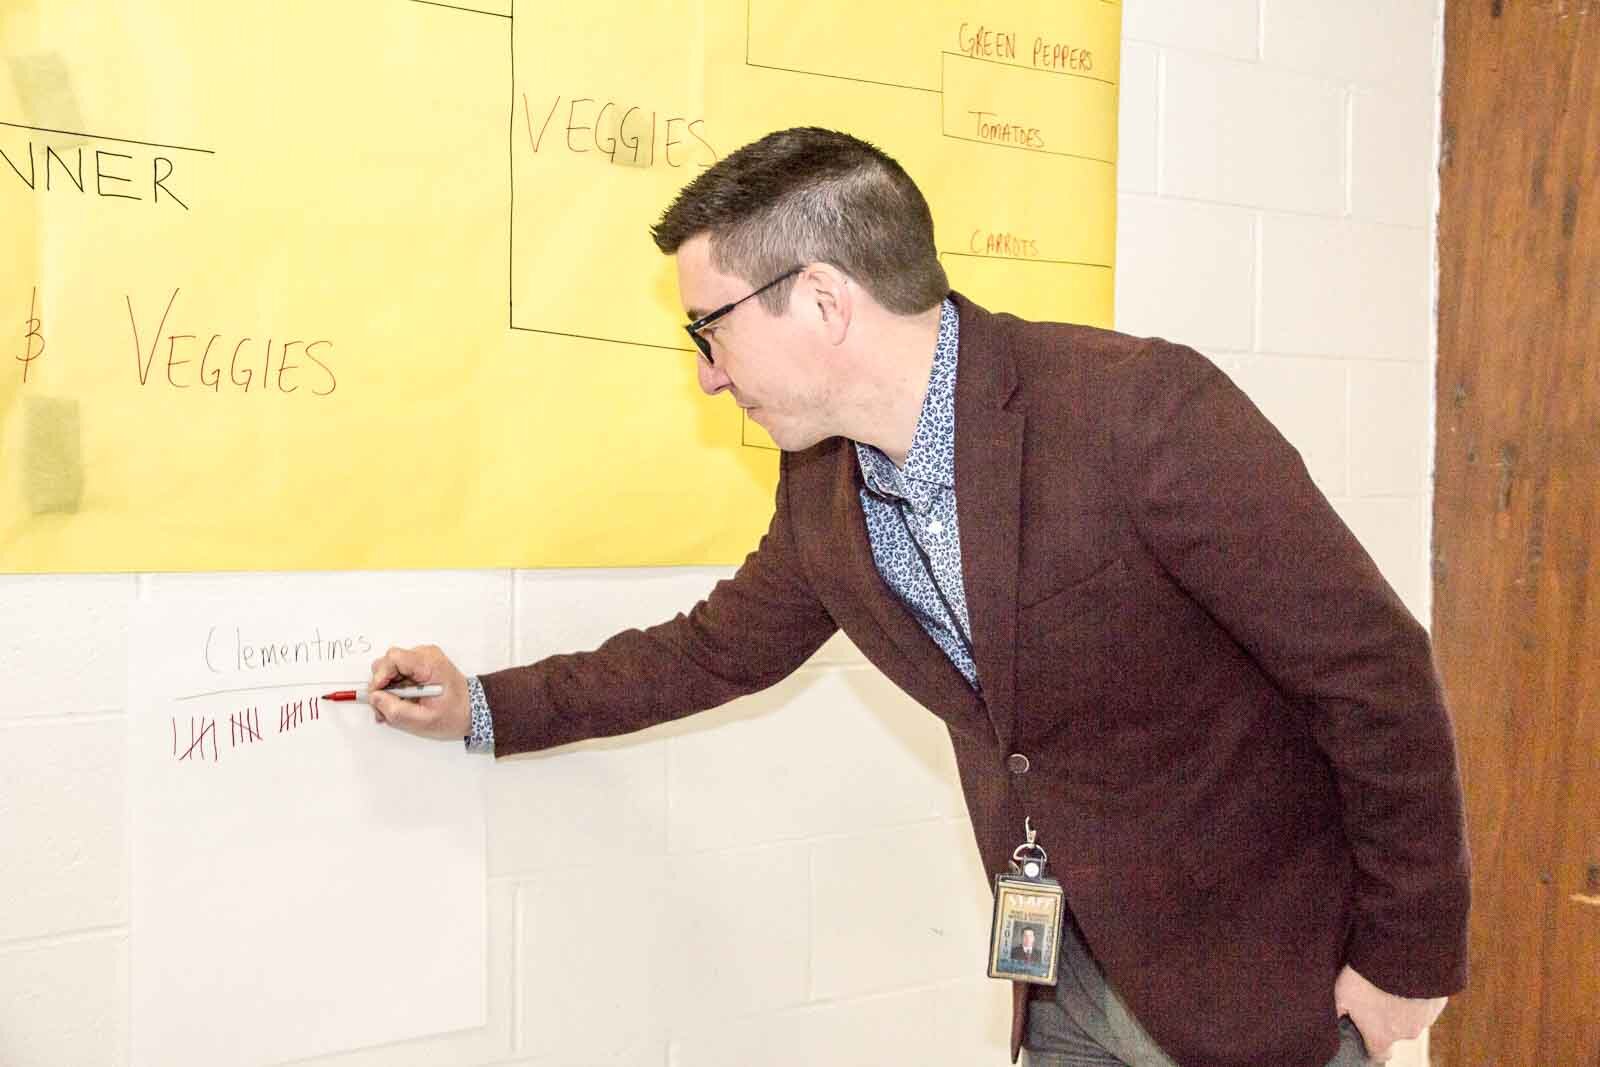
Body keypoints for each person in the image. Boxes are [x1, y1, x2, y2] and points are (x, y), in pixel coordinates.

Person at [367, 127, 1470, 1067]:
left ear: (822, 300)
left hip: (1258, 974)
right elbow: (710, 651)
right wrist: (484, 705)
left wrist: (1407, 952)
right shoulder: (824, 484)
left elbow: (1370, 670)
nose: (706, 370)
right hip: (1066, 978)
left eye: (711, 328)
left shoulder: (1134, 409)